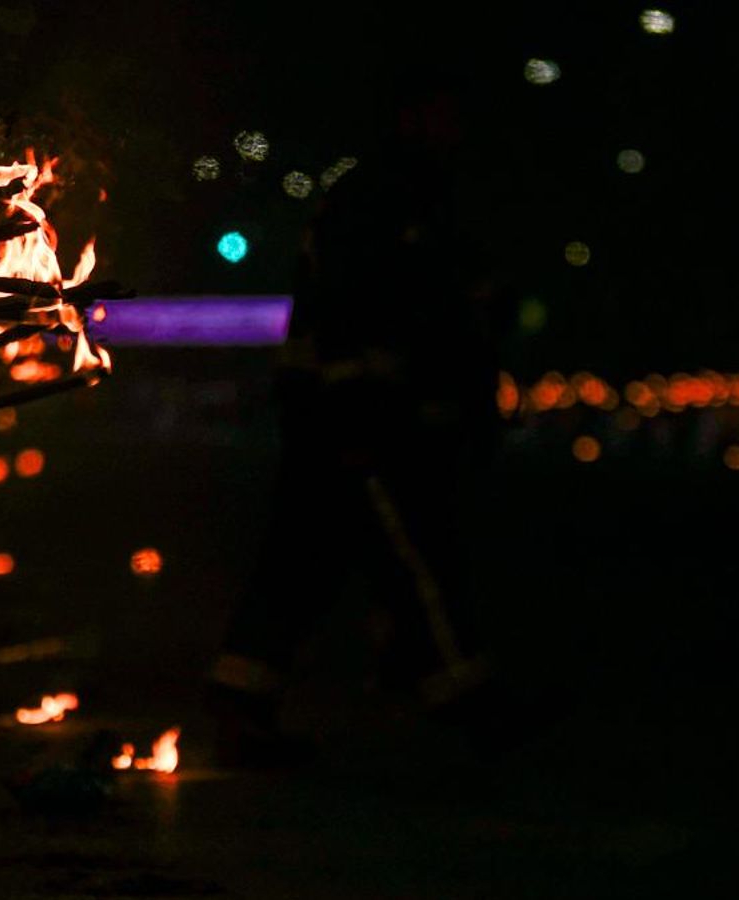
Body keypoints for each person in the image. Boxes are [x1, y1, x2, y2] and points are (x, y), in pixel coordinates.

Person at [207, 82, 511, 765]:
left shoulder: (399, 196)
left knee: (305, 560)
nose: (454, 127)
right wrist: (368, 399)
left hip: (341, 406)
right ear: (409, 117)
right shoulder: (387, 198)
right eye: (441, 111)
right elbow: (366, 308)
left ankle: (241, 700)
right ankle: (462, 691)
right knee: (412, 548)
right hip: (357, 412)